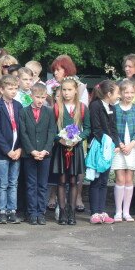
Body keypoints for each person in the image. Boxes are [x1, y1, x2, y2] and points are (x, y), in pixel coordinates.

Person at [50, 77, 90, 225]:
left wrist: (79, 138)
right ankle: (62, 212)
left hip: (75, 148)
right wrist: (58, 139)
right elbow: (52, 129)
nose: (66, 93)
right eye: (64, 90)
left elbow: (88, 128)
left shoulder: (82, 108)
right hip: (61, 148)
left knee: (73, 181)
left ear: (75, 91)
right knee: (61, 181)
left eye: (69, 90)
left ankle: (71, 213)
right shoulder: (56, 108)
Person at [19, 83, 56, 226]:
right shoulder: (23, 112)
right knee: (31, 185)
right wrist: (32, 150)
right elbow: (23, 133)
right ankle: (32, 213)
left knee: (42, 184)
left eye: (43, 97)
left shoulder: (49, 112)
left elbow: (51, 131)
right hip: (30, 154)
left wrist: (46, 150)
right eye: (37, 97)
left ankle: (41, 213)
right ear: (31, 96)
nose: (40, 100)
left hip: (45, 154)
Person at [0, 75, 23, 224]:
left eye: (15, 88)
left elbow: (22, 129)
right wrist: (7, 150)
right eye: (10, 88)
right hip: (3, 153)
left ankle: (12, 211)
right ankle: (2, 211)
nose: (13, 91)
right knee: (2, 183)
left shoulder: (18, 105)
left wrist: (20, 148)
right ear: (2, 89)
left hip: (16, 150)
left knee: (13, 183)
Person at [87, 80, 120, 225]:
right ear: (109, 94)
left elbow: (114, 128)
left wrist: (115, 143)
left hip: (109, 147)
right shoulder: (95, 105)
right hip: (99, 146)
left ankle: (101, 211)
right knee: (96, 180)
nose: (118, 96)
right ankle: (94, 212)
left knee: (104, 180)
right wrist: (106, 143)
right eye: (117, 93)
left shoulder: (112, 107)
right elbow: (96, 128)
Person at [112, 79, 135, 222]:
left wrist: (132, 144)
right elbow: (112, 127)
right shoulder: (115, 108)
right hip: (118, 147)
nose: (129, 95)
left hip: (133, 147)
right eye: (126, 92)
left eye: (131, 92)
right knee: (120, 178)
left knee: (130, 178)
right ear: (121, 93)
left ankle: (126, 211)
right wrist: (119, 143)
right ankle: (118, 211)